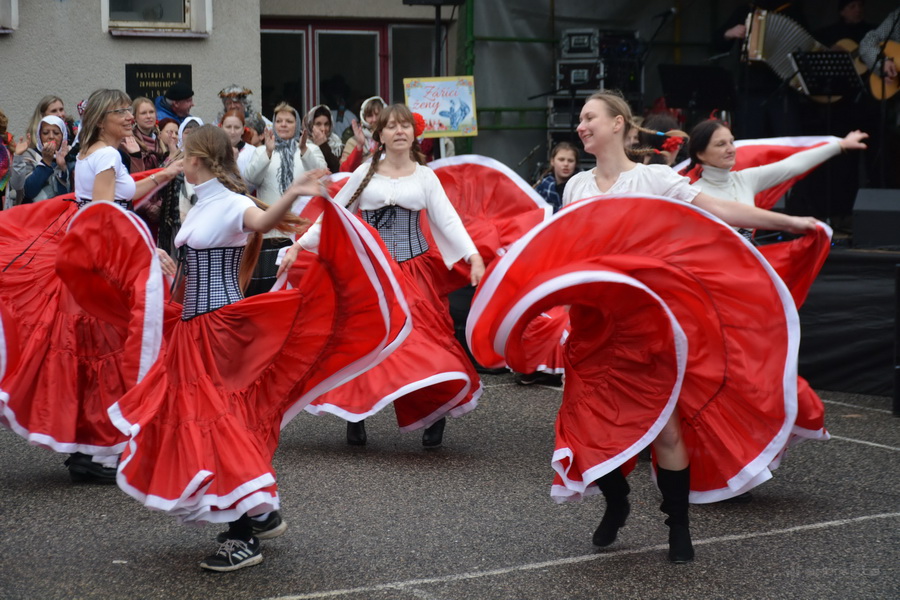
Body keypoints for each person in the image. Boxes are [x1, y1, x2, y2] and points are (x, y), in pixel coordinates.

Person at [79, 124, 404, 572]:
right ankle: (257, 513)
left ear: (197, 160)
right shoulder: (200, 202)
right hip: (194, 329)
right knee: (212, 421)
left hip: (221, 331)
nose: (178, 160)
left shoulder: (232, 203)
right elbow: (192, 260)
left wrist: (293, 192)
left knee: (220, 423)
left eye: (184, 154)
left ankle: (243, 533)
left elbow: (263, 223)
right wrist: (158, 260)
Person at [551, 90, 819, 563]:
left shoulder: (653, 178)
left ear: (617, 124)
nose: (580, 125)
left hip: (646, 322)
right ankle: (617, 501)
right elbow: (562, 252)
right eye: (580, 119)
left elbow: (720, 209)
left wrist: (790, 221)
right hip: (592, 324)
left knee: (667, 430)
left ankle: (678, 526)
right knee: (588, 426)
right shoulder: (575, 187)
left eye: (589, 117)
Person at [0, 88, 182, 483]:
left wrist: (165, 173)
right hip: (100, 270)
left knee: (92, 360)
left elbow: (121, 195)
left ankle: (89, 451)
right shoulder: (107, 156)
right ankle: (95, 452)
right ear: (102, 120)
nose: (129, 116)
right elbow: (103, 218)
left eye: (129, 109)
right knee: (110, 359)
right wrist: (147, 251)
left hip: (89, 264)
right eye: (121, 111)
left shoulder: (92, 154)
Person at [283, 104, 485, 449]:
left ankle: (433, 412)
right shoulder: (365, 172)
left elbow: (448, 219)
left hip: (414, 271)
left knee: (426, 341)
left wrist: (473, 255)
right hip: (372, 273)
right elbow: (334, 215)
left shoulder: (425, 176)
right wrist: (299, 246)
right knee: (362, 339)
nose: (399, 131)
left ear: (414, 133)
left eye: (405, 126)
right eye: (392, 126)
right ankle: (355, 414)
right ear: (381, 135)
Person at [686, 119, 869, 238]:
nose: (731, 149)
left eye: (731, 142)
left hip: (745, 268)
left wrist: (840, 145)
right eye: (721, 144)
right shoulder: (692, 194)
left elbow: (792, 166)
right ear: (700, 154)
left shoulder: (745, 179)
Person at [243, 102, 326, 295]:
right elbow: (250, 179)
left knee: (298, 290)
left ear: (297, 125)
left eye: (289, 121)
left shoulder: (310, 149)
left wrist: (304, 149)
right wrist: (268, 152)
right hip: (270, 233)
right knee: (267, 290)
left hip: (301, 232)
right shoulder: (261, 150)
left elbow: (322, 176)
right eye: (279, 121)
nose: (283, 125)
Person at [713, 1, 807, 139]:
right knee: (750, 137)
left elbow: (806, 45)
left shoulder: (792, 11)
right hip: (750, 87)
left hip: (783, 87)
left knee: (787, 137)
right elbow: (717, 43)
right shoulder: (745, 11)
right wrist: (729, 33)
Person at [121, 97, 169, 237]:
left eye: (151, 112)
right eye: (143, 113)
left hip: (162, 207)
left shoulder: (162, 141)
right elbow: (130, 178)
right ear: (134, 117)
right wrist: (149, 207)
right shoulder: (128, 142)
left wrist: (161, 205)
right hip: (139, 208)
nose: (149, 116)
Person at [10, 115, 71, 203]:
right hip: (36, 210)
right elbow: (28, 192)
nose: (51, 137)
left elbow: (72, 192)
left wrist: (63, 167)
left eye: (56, 133)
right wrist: (45, 162)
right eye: (45, 133)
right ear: (39, 136)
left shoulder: (70, 155)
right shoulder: (30, 155)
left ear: (63, 136)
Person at [340, 95, 384, 172]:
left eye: (378, 115)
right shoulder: (353, 141)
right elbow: (344, 171)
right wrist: (359, 146)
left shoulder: (392, 138)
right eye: (370, 116)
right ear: (364, 118)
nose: (374, 119)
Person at [533, 142, 579, 213]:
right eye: (561, 160)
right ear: (552, 161)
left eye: (570, 161)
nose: (566, 164)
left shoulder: (582, 186)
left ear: (576, 163)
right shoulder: (542, 187)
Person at [304, 104, 343, 172]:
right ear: (310, 125)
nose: (323, 129)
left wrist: (323, 145)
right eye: (318, 124)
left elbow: (337, 170)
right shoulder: (303, 145)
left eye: (326, 124)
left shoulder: (337, 144)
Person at [219, 109, 255, 179]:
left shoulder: (253, 152)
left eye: (237, 127)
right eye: (228, 127)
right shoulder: (213, 151)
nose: (232, 132)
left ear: (243, 129)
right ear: (221, 127)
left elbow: (252, 181)